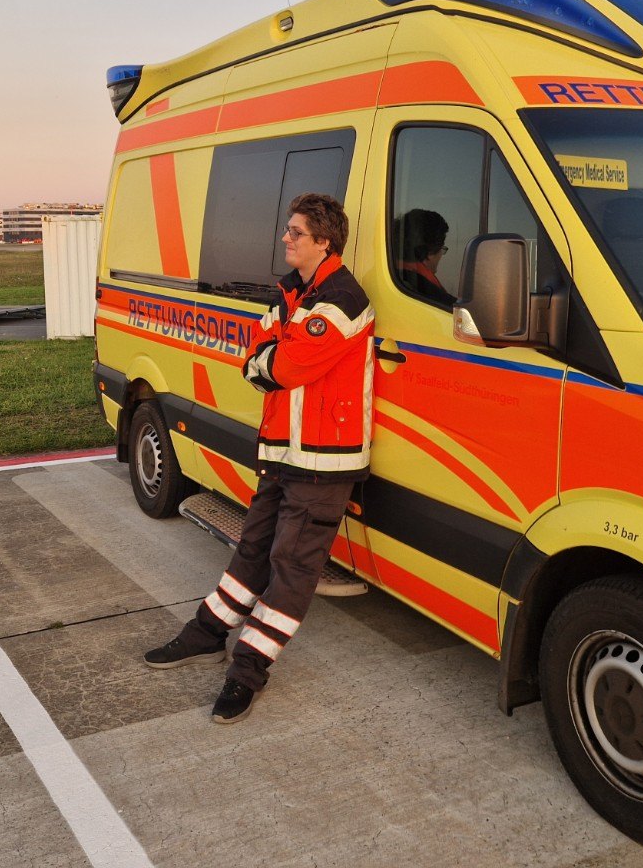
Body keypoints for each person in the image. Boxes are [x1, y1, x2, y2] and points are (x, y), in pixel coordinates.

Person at [142, 192, 375, 724]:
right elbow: (253, 357)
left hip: (324, 460)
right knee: (253, 548)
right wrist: (270, 356)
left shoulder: (341, 299)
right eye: (288, 230)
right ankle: (205, 634)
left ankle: (247, 672)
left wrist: (270, 357)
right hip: (282, 450)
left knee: (291, 565)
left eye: (296, 232)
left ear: (323, 240)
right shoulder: (293, 292)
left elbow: (284, 368)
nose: (285, 238)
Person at [395, 207, 454, 306]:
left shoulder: (397, 276)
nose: (441, 255)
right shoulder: (429, 294)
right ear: (431, 252)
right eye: (442, 249)